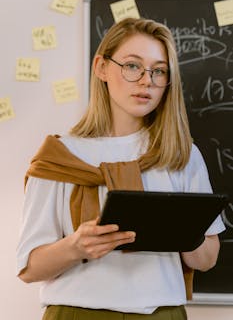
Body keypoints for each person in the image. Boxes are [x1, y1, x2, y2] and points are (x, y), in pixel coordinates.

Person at [16, 17, 225, 320]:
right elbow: (29, 268)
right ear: (101, 67)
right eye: (132, 66)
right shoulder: (60, 156)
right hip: (76, 314)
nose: (146, 80)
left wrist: (181, 232)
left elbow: (207, 259)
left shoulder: (181, 154)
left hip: (161, 313)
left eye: (159, 71)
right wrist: (76, 246)